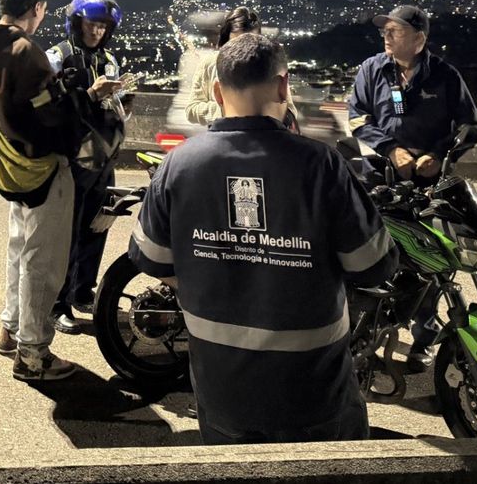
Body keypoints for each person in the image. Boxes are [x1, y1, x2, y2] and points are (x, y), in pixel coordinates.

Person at [130, 34, 398, 445]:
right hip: (313, 393)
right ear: (283, 86)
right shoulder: (321, 165)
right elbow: (373, 265)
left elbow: (152, 259)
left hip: (221, 392)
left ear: (217, 91)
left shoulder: (178, 164)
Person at [0, 0, 95, 381]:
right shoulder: (26, 52)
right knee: (43, 263)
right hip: (42, 169)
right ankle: (34, 355)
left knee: (19, 251)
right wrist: (81, 98)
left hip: (9, 166)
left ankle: (10, 329)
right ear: (37, 7)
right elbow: (52, 120)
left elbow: (4, 107)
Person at [346, 4, 477, 372]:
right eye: (385, 30)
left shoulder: (445, 76)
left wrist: (439, 155)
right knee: (376, 257)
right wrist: (391, 149)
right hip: (381, 179)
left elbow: (469, 126)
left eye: (396, 31)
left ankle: (424, 337)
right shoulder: (372, 69)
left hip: (429, 184)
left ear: (419, 40)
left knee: (432, 262)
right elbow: (357, 117)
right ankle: (366, 335)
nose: (386, 36)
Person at [46, 0, 128, 334]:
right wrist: (90, 95)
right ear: (76, 23)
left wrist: (121, 99)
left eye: (103, 26)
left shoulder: (109, 60)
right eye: (91, 24)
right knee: (67, 233)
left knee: (97, 225)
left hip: (103, 157)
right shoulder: (57, 57)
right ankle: (57, 303)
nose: (96, 31)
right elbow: (47, 106)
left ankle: (82, 290)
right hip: (71, 159)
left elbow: (117, 104)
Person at [185, 7, 261, 125]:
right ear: (226, 41)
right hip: (221, 134)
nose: (243, 50)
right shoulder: (210, 63)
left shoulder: (269, 64)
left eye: (250, 44)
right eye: (236, 44)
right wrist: (227, 109)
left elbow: (288, 110)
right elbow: (191, 110)